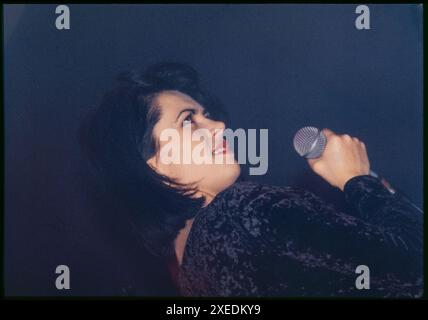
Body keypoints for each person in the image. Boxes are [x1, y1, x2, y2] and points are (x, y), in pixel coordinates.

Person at [79, 62, 423, 297]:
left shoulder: (192, 279)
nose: (218, 127)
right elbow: (415, 266)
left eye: (208, 115)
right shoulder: (243, 211)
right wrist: (358, 180)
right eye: (188, 121)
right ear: (154, 165)